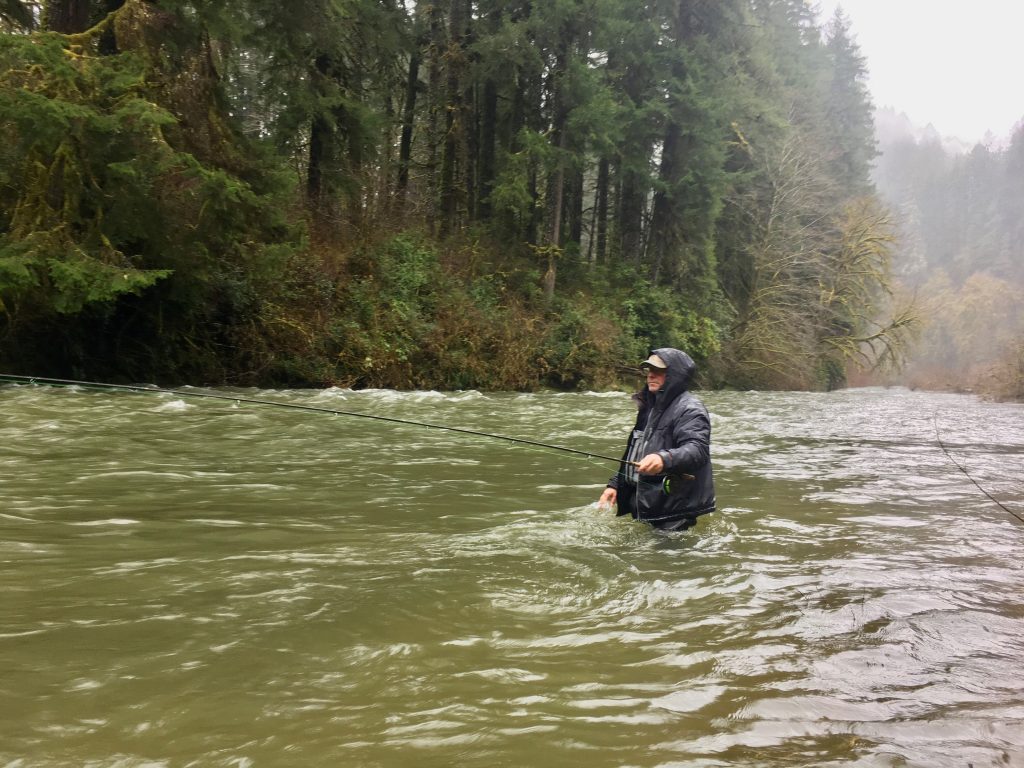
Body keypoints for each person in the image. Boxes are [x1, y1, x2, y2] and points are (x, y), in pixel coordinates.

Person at [598, 347, 715, 531]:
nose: (651, 375)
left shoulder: (691, 409)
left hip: (674, 512)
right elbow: (634, 451)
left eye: (658, 371)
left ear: (675, 375)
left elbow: (697, 450)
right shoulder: (648, 407)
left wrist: (664, 458)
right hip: (647, 506)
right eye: (649, 370)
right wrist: (615, 485)